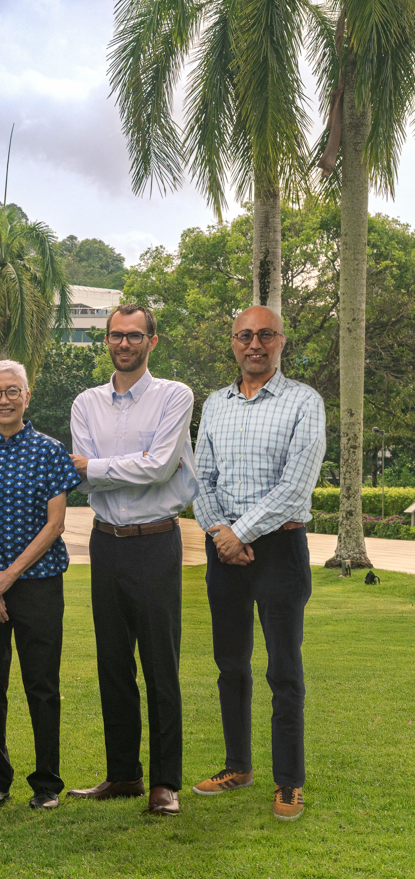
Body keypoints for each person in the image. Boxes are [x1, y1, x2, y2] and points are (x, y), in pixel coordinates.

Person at [191, 305, 325, 822]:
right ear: (233, 341)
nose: (255, 344)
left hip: (278, 551)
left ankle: (288, 781)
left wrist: (238, 534)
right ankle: (237, 767)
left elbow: (296, 487)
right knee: (231, 665)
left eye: (265, 335)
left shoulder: (303, 401)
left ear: (281, 342)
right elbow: (201, 480)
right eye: (245, 335)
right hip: (223, 550)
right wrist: (219, 533)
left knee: (283, 670)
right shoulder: (215, 404)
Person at [66, 304, 197, 817]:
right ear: (106, 341)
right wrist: (120, 467)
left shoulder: (175, 395)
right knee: (113, 664)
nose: (125, 343)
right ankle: (123, 775)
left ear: (152, 341)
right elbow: (81, 478)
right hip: (106, 542)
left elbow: (160, 467)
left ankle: (165, 783)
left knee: (160, 665)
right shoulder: (86, 403)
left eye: (135, 335)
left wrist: (100, 467)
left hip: (155, 542)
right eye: (116, 335)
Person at [0, 359, 80, 811]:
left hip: (37, 585)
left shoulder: (50, 451)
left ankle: (46, 783)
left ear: (27, 397)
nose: (4, 400)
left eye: (13, 391)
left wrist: (9, 576)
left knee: (41, 684)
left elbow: (55, 524)